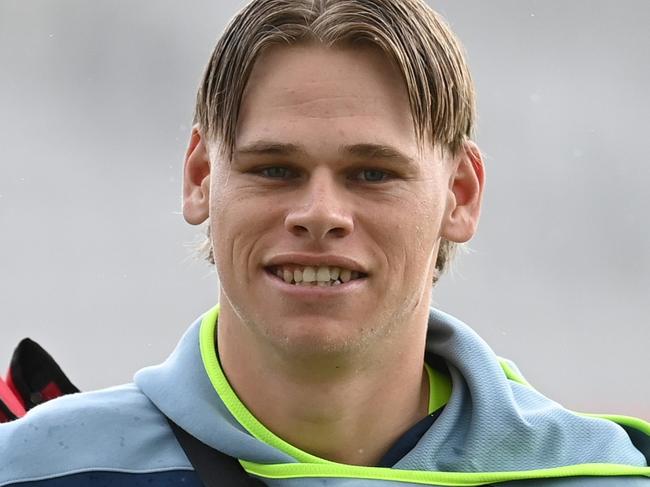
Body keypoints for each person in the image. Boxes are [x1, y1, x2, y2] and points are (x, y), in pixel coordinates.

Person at [0, 0, 648, 485]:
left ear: (461, 194)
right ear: (200, 177)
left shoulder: (596, 475)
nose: (320, 214)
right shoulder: (38, 469)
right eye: (274, 168)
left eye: (372, 173)